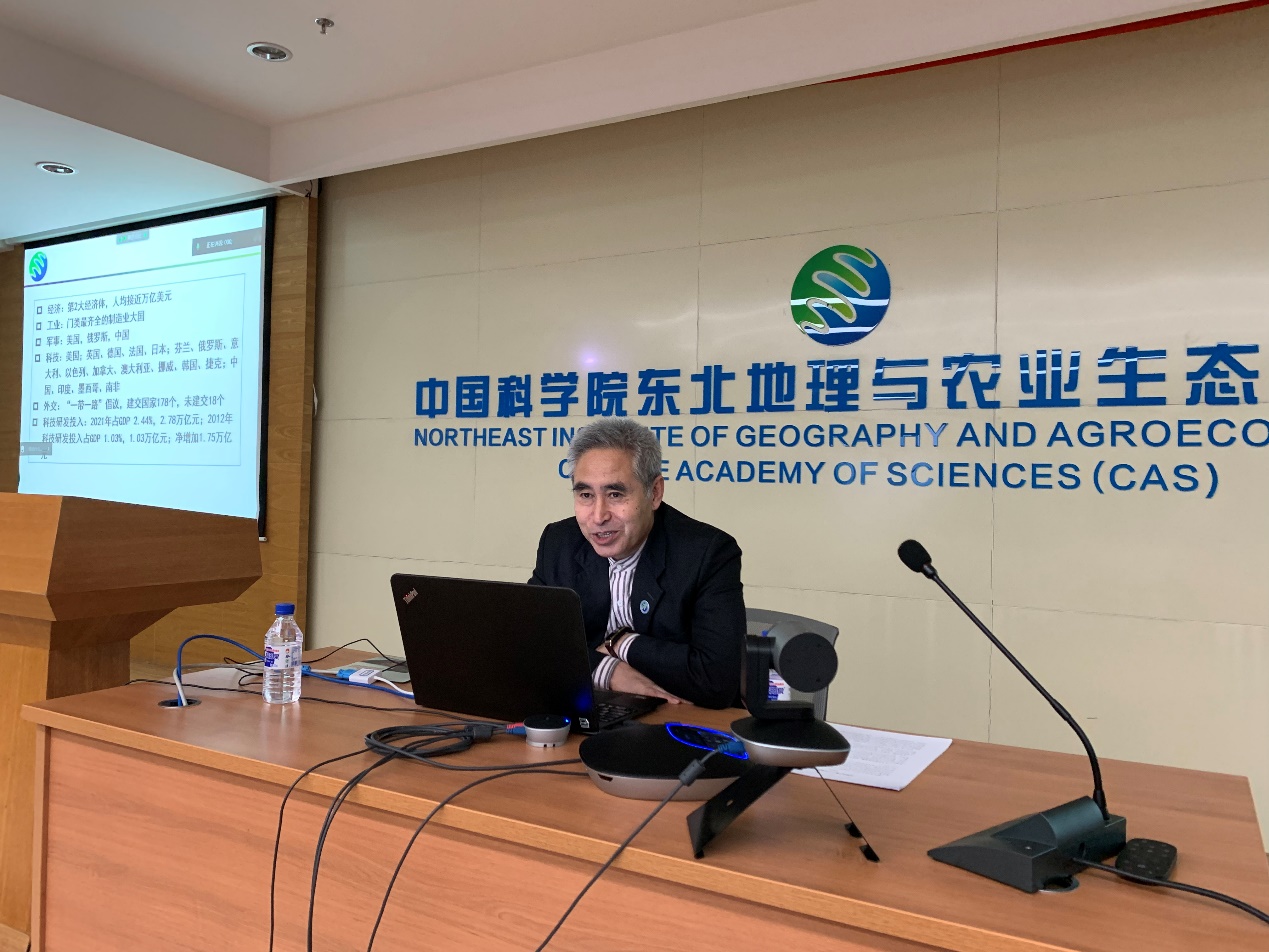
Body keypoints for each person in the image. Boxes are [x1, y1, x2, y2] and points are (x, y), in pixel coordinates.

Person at [529, 419, 745, 708]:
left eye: (615, 494)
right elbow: (530, 642)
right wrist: (608, 671)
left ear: (654, 493)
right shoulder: (560, 542)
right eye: (586, 495)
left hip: (680, 716)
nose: (599, 516)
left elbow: (718, 679)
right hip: (587, 706)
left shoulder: (707, 553)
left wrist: (621, 643)